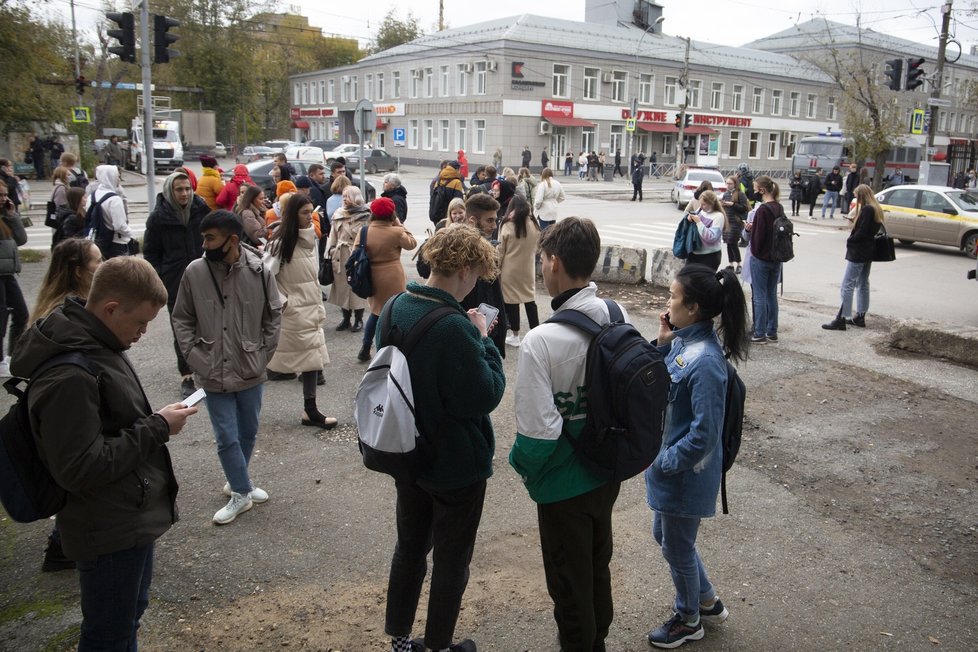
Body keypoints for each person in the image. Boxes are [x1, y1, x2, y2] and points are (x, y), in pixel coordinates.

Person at [11, 256, 198, 649]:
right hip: (106, 528)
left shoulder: (97, 342)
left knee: (125, 617)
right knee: (109, 633)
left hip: (123, 516)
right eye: (141, 323)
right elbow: (79, 467)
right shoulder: (71, 374)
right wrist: (158, 426)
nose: (144, 333)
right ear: (111, 308)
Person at [380, 224, 505, 652]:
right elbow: (484, 395)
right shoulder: (454, 327)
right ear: (466, 269)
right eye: (477, 275)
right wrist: (483, 340)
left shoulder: (396, 306)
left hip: (405, 453)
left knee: (410, 548)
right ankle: (437, 646)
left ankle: (399, 639)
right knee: (451, 561)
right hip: (454, 464)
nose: (475, 286)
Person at [509, 216, 624, 651]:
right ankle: (600, 637)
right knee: (597, 561)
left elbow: (538, 437)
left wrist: (521, 468)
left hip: (561, 486)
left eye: (542, 259)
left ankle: (581, 642)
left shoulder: (542, 340)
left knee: (567, 576)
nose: (541, 267)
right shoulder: (616, 314)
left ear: (554, 262)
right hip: (607, 470)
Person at [645, 263, 748, 649]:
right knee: (667, 536)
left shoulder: (705, 362)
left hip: (685, 474)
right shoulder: (686, 344)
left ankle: (688, 618)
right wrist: (665, 341)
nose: (667, 302)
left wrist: (664, 462)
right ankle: (707, 599)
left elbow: (705, 433)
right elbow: (664, 386)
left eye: (673, 297)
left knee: (676, 545)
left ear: (695, 308)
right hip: (675, 470)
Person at [172, 210, 283, 525]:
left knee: (248, 432)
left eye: (210, 238)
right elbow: (181, 317)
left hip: (251, 369)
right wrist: (195, 356)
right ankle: (241, 493)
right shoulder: (194, 272)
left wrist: (262, 356)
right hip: (211, 370)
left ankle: (237, 480)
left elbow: (274, 317)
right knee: (226, 436)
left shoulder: (261, 271)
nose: (204, 243)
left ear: (232, 240)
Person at [26, 237, 104, 572]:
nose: (103, 267)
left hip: (64, 408)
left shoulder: (58, 305)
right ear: (77, 270)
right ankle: (62, 546)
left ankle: (64, 543)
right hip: (71, 407)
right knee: (78, 476)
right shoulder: (69, 313)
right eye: (97, 262)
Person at [264, 193, 336, 429]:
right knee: (291, 358)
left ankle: (310, 410)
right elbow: (264, 278)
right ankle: (310, 410)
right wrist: (283, 301)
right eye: (304, 212)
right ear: (292, 214)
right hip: (295, 311)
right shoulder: (280, 243)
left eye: (310, 212)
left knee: (312, 359)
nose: (310, 217)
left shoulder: (310, 239)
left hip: (312, 309)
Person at [143, 170, 212, 399]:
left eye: (187, 189)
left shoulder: (201, 211)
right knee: (181, 329)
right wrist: (162, 276)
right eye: (179, 189)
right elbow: (151, 254)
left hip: (204, 279)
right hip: (175, 282)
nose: (184, 194)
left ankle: (206, 368)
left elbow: (215, 240)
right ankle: (186, 375)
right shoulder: (158, 218)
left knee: (206, 324)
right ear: (170, 191)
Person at [355, 197, 417, 362]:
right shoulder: (396, 232)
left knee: (376, 313)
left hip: (372, 275)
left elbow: (355, 251)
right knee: (393, 312)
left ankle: (366, 346)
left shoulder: (364, 231)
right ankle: (388, 349)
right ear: (392, 214)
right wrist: (400, 225)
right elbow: (412, 244)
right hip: (393, 275)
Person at [822, 184, 884, 331]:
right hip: (868, 250)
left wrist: (851, 239)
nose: (856, 198)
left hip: (859, 251)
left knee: (847, 285)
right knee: (863, 283)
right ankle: (860, 316)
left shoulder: (867, 209)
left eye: (857, 195)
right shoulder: (875, 208)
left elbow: (862, 231)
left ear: (862, 195)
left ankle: (842, 318)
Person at [461, 193, 508, 357]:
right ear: (472, 221)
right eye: (489, 220)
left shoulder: (488, 249)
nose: (495, 225)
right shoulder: (460, 253)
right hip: (471, 334)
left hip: (490, 327)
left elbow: (495, 293)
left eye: (496, 220)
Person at [497, 195, 540, 347]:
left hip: (510, 268)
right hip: (528, 267)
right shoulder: (533, 223)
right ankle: (537, 332)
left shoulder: (507, 224)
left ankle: (515, 336)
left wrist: (497, 268)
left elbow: (500, 250)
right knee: (530, 299)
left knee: (512, 301)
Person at [327, 185, 371, 332]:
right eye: (344, 196)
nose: (345, 199)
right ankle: (345, 319)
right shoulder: (338, 214)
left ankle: (358, 319)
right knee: (342, 288)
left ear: (356, 197)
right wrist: (330, 252)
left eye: (348, 196)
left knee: (357, 288)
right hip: (340, 255)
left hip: (357, 255)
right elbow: (332, 235)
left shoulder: (367, 215)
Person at [748, 175, 783, 344]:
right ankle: (772, 331)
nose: (754, 191)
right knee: (771, 295)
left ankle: (759, 332)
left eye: (755, 188)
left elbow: (759, 237)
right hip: (776, 257)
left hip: (761, 258)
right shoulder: (779, 207)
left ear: (762, 190)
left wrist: (754, 251)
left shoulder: (762, 210)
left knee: (759, 296)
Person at [0, 185, 29, 378]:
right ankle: (1, 360)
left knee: (21, 313)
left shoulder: (5, 217)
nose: (3, 198)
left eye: (4, 194)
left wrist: (12, 215)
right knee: (1, 316)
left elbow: (21, 239)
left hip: (8, 273)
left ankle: (13, 354)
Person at [92, 165, 134, 259]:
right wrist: (130, 233)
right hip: (117, 242)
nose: (119, 179)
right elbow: (119, 225)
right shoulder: (114, 199)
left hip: (98, 240)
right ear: (111, 177)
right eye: (117, 176)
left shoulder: (93, 195)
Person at [685, 189, 726, 271]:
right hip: (694, 252)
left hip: (709, 256)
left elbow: (711, 237)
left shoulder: (718, 216)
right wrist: (689, 219)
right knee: (687, 280)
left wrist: (699, 222)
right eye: (700, 203)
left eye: (704, 204)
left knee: (704, 282)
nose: (701, 206)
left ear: (711, 204)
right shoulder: (700, 211)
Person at [721, 177, 748, 273]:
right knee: (728, 242)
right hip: (727, 221)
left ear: (735, 184)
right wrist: (722, 204)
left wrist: (732, 204)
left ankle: (739, 264)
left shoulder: (740, 194)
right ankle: (731, 264)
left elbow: (744, 208)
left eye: (730, 184)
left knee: (733, 242)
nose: (728, 185)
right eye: (727, 183)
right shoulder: (726, 194)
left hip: (736, 222)